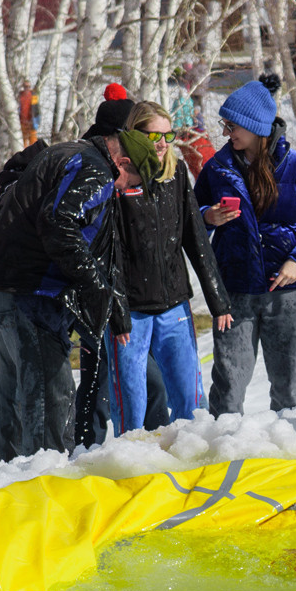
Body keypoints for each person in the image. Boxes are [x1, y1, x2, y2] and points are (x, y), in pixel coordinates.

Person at [0, 121, 131, 462]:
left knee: (11, 399)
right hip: (28, 294)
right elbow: (60, 224)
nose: (122, 192)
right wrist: (94, 287)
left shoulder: (64, 154)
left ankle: (8, 488)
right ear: (123, 163)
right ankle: (41, 485)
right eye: (128, 184)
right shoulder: (95, 171)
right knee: (48, 399)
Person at [198, 79, 296, 415]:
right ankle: (222, 455)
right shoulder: (216, 168)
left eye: (233, 125)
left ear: (257, 126)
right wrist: (207, 216)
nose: (227, 133)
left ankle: (282, 458)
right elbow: (188, 221)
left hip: (289, 294)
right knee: (227, 390)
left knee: (287, 392)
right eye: (224, 125)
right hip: (235, 292)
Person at [104, 99, 231, 434]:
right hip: (131, 311)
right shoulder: (119, 179)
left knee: (191, 403)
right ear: (133, 135)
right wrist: (117, 315)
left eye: (167, 136)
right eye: (152, 136)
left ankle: (192, 463)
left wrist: (217, 300)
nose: (161, 143)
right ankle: (129, 466)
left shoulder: (175, 175)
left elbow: (196, 238)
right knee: (132, 409)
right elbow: (109, 254)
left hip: (174, 304)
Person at [17, 81, 40, 146]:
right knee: (22, 143)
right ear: (23, 87)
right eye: (25, 86)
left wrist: (37, 122)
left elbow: (37, 110)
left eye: (28, 86)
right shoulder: (19, 96)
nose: (27, 88)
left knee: (33, 143)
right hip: (21, 123)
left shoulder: (33, 96)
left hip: (32, 123)